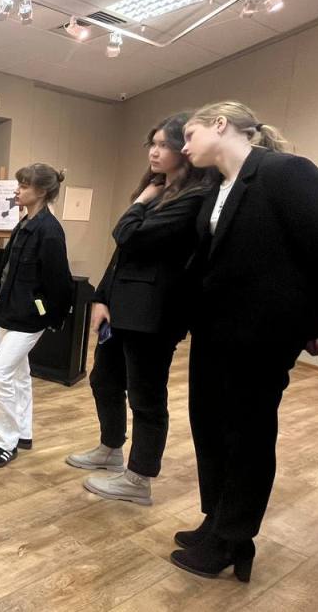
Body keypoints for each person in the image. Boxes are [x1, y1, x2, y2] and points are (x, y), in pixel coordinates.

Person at [171, 101, 318, 582]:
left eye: (189, 135)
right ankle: (216, 520)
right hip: (214, 331)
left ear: (220, 124)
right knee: (209, 426)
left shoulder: (287, 173)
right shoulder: (218, 187)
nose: (184, 147)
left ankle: (234, 537)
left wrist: (312, 324)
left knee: (246, 435)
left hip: (263, 335)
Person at [66, 113, 210, 505]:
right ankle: (110, 449)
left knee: (146, 398)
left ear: (184, 150)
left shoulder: (194, 197)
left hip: (153, 315)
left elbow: (127, 234)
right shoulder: (161, 191)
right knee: (103, 381)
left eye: (164, 145)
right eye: (153, 143)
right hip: (121, 308)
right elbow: (123, 256)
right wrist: (101, 297)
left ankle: (139, 478)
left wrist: (142, 200)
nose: (154, 151)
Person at [0, 163, 72, 469]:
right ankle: (21, 432)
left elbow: (59, 282)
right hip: (11, 311)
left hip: (29, 318)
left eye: (23, 186)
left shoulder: (49, 231)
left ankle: (5, 441)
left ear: (42, 191)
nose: (17, 190)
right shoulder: (25, 223)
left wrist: (47, 314)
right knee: (18, 375)